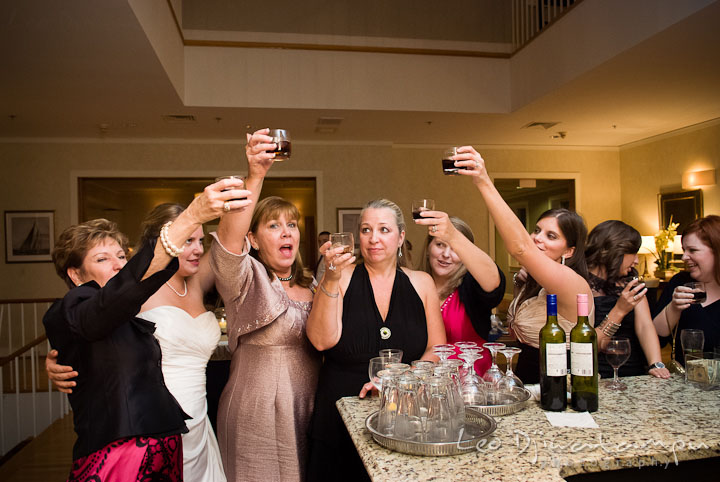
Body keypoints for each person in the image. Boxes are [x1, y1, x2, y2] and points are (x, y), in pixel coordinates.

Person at [42, 180, 243, 481]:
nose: (117, 265)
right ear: (75, 273)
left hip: (168, 441)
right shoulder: (71, 306)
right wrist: (192, 215)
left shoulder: (130, 304)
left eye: (122, 257)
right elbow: (92, 319)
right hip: (118, 454)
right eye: (101, 259)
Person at [306, 198, 447, 482]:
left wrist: (409, 376)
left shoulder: (422, 283)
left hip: (404, 412)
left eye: (384, 230)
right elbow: (321, 341)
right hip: (341, 412)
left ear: (401, 237)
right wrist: (330, 279)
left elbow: (437, 348)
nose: (373, 239)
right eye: (366, 230)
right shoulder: (340, 278)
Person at [209, 128, 321, 482]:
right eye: (274, 226)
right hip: (257, 409)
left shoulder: (315, 284)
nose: (287, 232)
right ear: (254, 239)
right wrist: (256, 174)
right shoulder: (245, 280)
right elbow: (227, 242)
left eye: (292, 224)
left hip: (311, 405)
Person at [447, 146, 593, 384]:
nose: (538, 238)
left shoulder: (572, 283)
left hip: (563, 385)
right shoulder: (533, 282)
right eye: (537, 231)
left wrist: (483, 181)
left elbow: (520, 248)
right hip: (527, 380)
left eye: (551, 236)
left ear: (569, 251)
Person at [415, 212, 506, 375]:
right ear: (429, 248)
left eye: (455, 249)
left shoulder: (471, 286)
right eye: (440, 245)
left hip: (471, 381)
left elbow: (494, 284)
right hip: (427, 380)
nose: (446, 254)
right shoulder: (414, 285)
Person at [585, 220, 670, 379]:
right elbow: (582, 342)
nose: (636, 261)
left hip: (633, 371)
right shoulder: (580, 284)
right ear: (614, 251)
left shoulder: (629, 281)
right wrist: (620, 308)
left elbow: (645, 326)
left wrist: (656, 364)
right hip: (595, 374)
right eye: (633, 253)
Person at [652, 215, 720, 363]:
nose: (684, 257)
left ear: (717, 251)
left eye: (693, 250)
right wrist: (674, 308)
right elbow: (658, 335)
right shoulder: (680, 282)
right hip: (686, 379)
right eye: (684, 250)